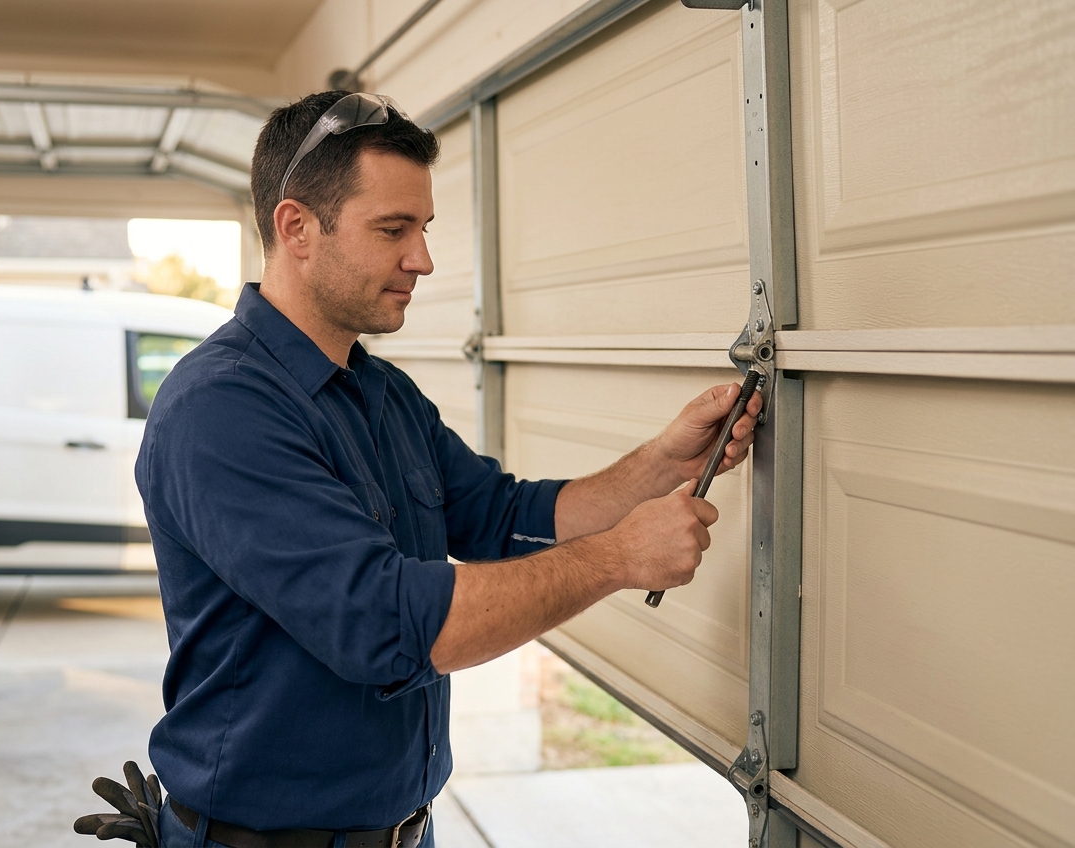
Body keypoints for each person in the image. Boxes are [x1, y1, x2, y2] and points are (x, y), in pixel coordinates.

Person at [136, 90, 763, 848]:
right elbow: (387, 624)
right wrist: (622, 557)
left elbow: (501, 517)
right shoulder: (221, 409)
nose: (423, 260)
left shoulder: (383, 394)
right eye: (393, 229)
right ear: (296, 227)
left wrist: (665, 462)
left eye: (423, 229)